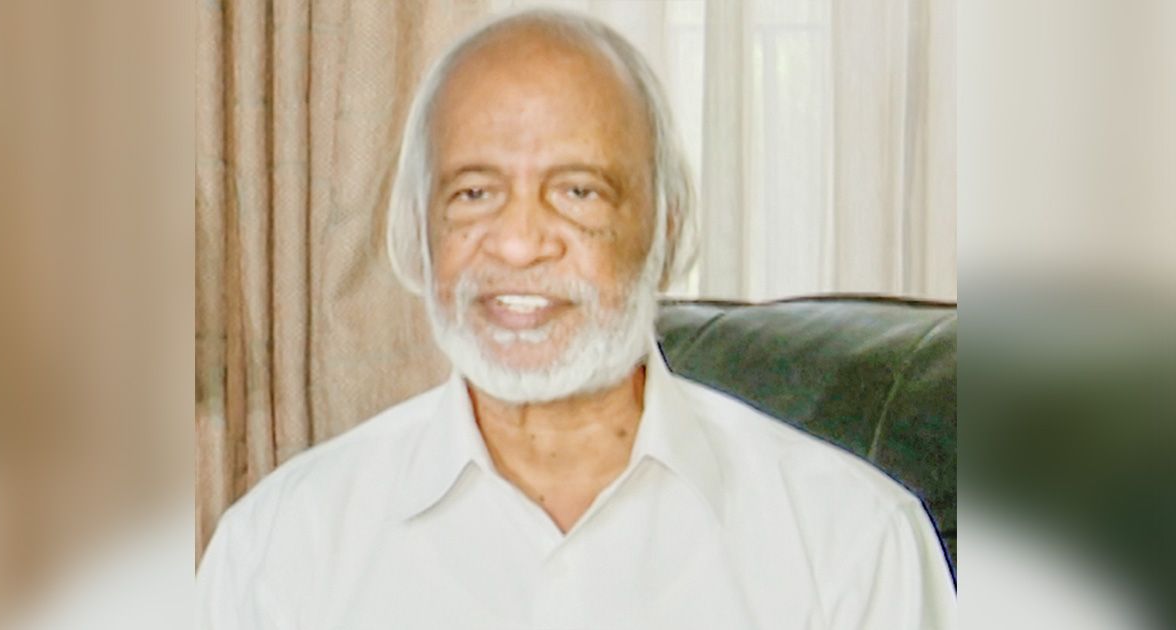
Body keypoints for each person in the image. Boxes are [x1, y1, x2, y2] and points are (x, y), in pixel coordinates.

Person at [197, 9, 956, 629]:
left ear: (667, 226)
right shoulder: (278, 551)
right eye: (473, 193)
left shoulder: (851, 546)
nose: (519, 243)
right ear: (418, 231)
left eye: (578, 192)